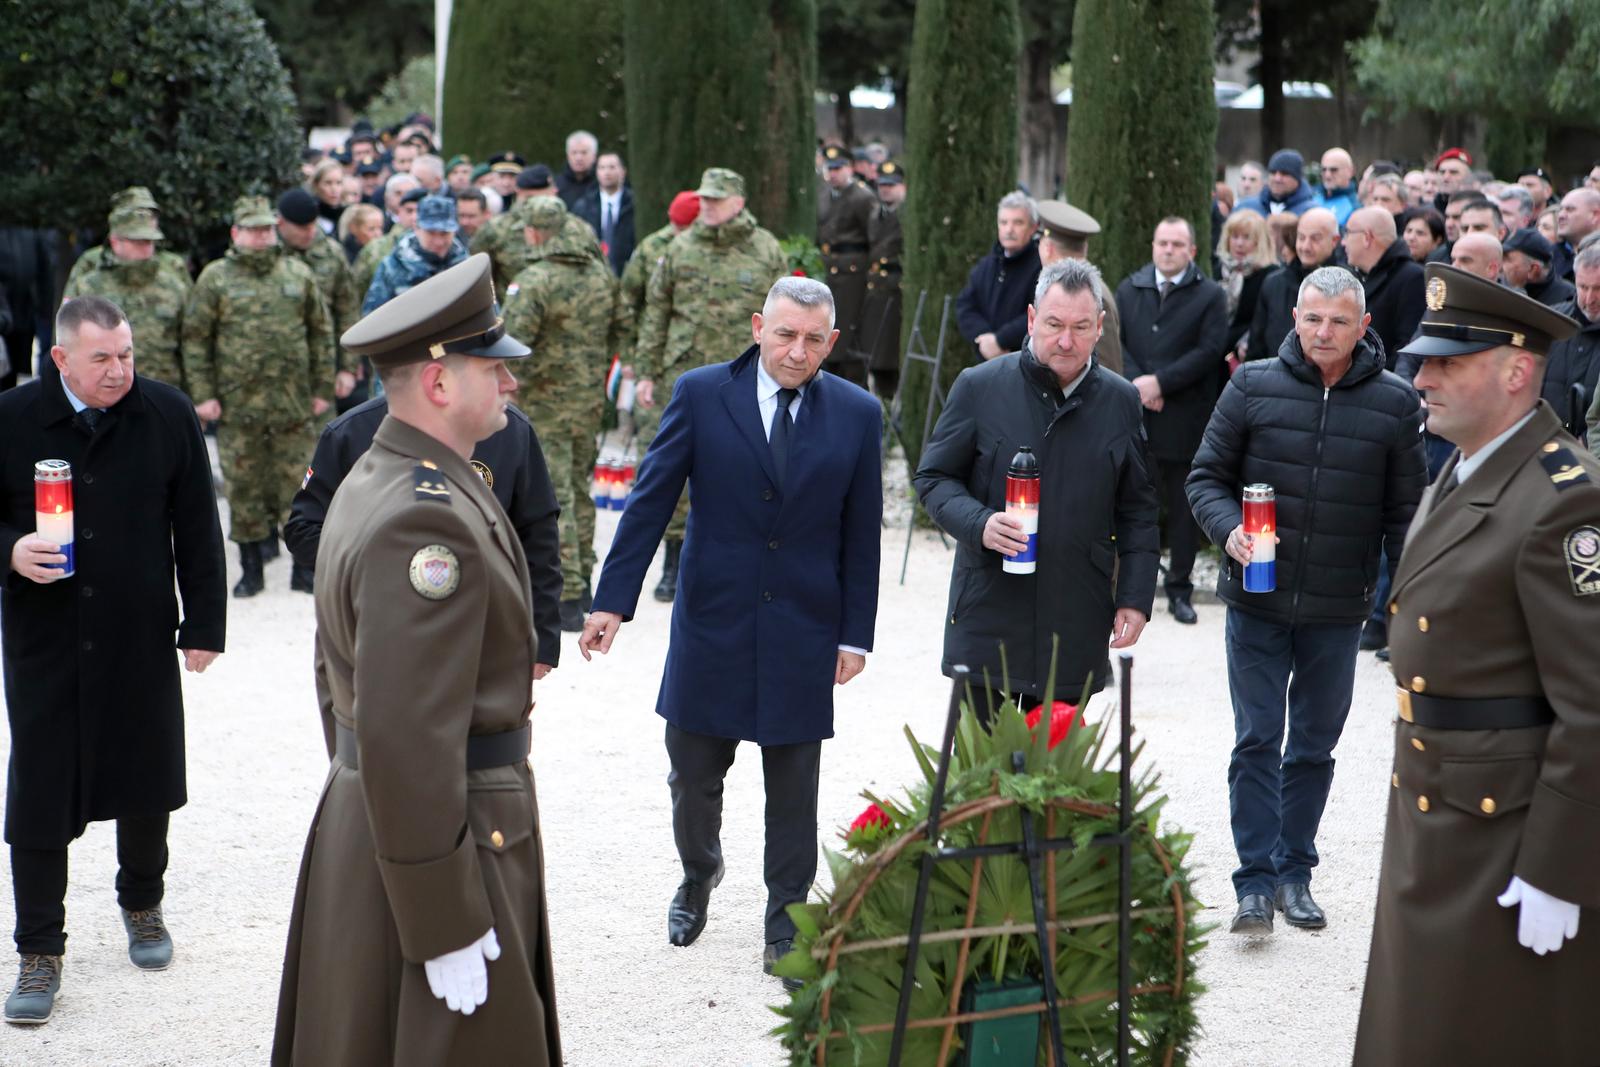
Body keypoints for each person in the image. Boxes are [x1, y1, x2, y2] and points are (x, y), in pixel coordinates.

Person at [272, 254, 561, 1063]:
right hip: (451, 837)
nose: (510, 382)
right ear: (439, 383)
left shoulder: (384, 475)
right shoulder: (423, 518)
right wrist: (442, 917)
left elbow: (338, 679)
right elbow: (403, 728)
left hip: (396, 824)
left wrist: (366, 792)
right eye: (493, 366)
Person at [579, 276, 881, 992]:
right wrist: (613, 599)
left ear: (832, 342)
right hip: (713, 618)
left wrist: (855, 635)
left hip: (804, 624)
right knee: (691, 771)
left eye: (813, 339)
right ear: (757, 327)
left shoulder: (857, 412)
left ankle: (786, 918)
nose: (797, 351)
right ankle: (699, 872)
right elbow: (651, 498)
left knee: (794, 784)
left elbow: (861, 530)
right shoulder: (701, 393)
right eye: (785, 334)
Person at [1352, 264, 1598, 1065]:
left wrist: (1561, 868)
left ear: (1517, 370)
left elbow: (1592, 704)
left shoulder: (1564, 497)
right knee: (1420, 1026)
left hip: (1504, 828)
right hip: (1437, 804)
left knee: (1486, 1031)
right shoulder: (1468, 466)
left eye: (1446, 363)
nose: (1421, 378)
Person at [0, 295, 226, 1025]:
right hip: (45, 636)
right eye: (101, 357)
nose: (118, 370)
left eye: (125, 354)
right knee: (39, 790)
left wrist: (205, 623)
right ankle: (39, 948)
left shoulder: (166, 412)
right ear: (60, 358)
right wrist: (10, 550)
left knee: (145, 773)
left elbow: (197, 523)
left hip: (138, 630)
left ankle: (143, 903)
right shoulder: (12, 418)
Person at [1187, 267, 1425, 937]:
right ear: (1294, 317)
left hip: (1337, 607)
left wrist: (1406, 605)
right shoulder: (1251, 384)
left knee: (1314, 746)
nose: (1324, 331)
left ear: (1363, 326)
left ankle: (1296, 874)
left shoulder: (1394, 402)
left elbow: (1407, 515)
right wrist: (1228, 530)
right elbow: (1205, 477)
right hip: (1256, 598)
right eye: (1313, 318)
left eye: (1339, 321)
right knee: (1257, 738)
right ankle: (1254, 884)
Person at [915, 259, 1158, 710]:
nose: (1066, 341)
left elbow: (1138, 510)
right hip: (987, 615)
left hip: (1076, 619)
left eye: (1080, 327)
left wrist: (1135, 597)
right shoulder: (979, 387)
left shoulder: (1121, 401)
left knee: (1057, 756)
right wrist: (980, 523)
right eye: (1054, 324)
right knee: (982, 758)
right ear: (1031, 319)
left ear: (1100, 326)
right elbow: (933, 478)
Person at [284, 389, 563, 670]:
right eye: (491, 369)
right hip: (379, 631)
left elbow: (539, 535)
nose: (508, 382)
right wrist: (387, 567)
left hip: (483, 633)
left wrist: (543, 638)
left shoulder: (510, 430)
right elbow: (304, 530)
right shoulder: (351, 432)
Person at [632, 168, 787, 602]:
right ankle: (673, 562)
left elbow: (784, 316)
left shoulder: (765, 249)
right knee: (674, 467)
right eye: (704, 199)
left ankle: (743, 562)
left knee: (746, 466)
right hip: (683, 374)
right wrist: (646, 371)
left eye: (717, 200)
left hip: (745, 378)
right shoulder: (679, 248)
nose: (709, 207)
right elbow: (656, 312)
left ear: (739, 203)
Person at [182, 195, 335, 596]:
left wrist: (323, 387)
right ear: (236, 233)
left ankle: (304, 570)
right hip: (238, 407)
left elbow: (321, 333)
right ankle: (251, 570)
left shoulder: (298, 273)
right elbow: (196, 340)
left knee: (298, 488)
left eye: (266, 229)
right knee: (244, 488)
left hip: (293, 405)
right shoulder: (215, 278)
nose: (261, 236)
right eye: (253, 230)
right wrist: (204, 395)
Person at [503, 197, 625, 630]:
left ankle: (567, 593)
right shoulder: (600, 274)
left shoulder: (533, 280)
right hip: (587, 400)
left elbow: (512, 343)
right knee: (578, 488)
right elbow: (621, 326)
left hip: (543, 403)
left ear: (535, 232)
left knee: (553, 496)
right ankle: (584, 580)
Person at [1117, 217, 1229, 624]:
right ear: (1153, 246)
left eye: (1177, 244)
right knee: (1132, 506)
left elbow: (1210, 350)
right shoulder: (1129, 289)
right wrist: (1140, 384)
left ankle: (1180, 590)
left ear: (1192, 251)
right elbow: (1116, 341)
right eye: (1162, 242)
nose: (1168, 250)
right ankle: (1131, 589)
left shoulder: (1210, 295)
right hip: (1136, 416)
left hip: (1183, 418)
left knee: (1184, 511)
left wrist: (1161, 382)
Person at [60, 192, 191, 393]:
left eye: (151, 213)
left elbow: (192, 337)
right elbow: (66, 330)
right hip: (103, 387)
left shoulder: (172, 273)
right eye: (137, 241)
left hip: (163, 385)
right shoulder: (91, 272)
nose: (144, 247)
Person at [277, 189, 360, 414]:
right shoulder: (266, 255)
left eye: (313, 225)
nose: (311, 233)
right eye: (303, 228)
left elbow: (348, 311)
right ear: (281, 223)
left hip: (322, 371)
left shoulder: (331, 254)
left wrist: (348, 367)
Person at [1035, 199, 1123, 374]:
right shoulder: (1055, 286)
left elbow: (1107, 368)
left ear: (1047, 248)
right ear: (1085, 248)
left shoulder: (1092, 296)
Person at [815, 145, 878, 386]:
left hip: (854, 272)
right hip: (829, 268)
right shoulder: (824, 194)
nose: (832, 174)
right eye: (829, 169)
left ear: (850, 169)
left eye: (838, 169)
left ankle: (851, 380)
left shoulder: (862, 197)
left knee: (849, 331)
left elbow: (873, 237)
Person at [956, 192, 1042, 362]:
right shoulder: (986, 265)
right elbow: (965, 305)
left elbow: (1041, 312)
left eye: (1018, 222)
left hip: (1025, 362)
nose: (1009, 229)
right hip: (986, 361)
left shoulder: (1041, 266)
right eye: (1004, 222)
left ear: (1033, 227)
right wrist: (984, 338)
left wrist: (1000, 340)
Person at [1248, 208, 1342, 363]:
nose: (1305, 246)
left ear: (1334, 241)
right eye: (1301, 237)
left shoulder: (1348, 287)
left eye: (1315, 239)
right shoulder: (1274, 283)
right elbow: (1256, 346)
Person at [1342, 206, 1426, 370]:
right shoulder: (1359, 275)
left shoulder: (1412, 278)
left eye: (1348, 233)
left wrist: (1370, 376)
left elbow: (1408, 347)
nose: (1343, 242)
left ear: (1367, 237)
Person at [617, 191, 698, 356]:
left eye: (684, 229)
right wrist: (627, 353)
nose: (677, 233)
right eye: (675, 226)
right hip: (655, 346)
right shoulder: (651, 247)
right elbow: (627, 301)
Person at [364, 194, 469, 315]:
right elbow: (373, 317)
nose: (439, 241)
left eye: (444, 233)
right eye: (431, 233)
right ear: (417, 228)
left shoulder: (465, 265)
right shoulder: (392, 267)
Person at [1540, 243, 1600, 430]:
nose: (1589, 298)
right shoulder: (1551, 319)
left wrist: (1589, 441)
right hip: (1546, 438)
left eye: (1598, 288)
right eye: (1583, 287)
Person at [862, 160, 907, 396]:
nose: (886, 189)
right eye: (882, 185)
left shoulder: (907, 216)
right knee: (874, 353)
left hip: (896, 288)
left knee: (891, 355)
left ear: (903, 186)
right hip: (876, 289)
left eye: (892, 185)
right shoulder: (875, 214)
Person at [1214, 211, 1276, 369]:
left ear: (1259, 242)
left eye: (1246, 237)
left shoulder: (1270, 275)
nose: (1239, 243)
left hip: (1246, 356)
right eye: (1235, 237)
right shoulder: (1218, 270)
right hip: (1215, 353)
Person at [572, 151, 635, 276]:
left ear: (623, 171)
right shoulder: (583, 206)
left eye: (612, 167)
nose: (607, 172)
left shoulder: (634, 204)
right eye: (602, 168)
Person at [1503, 228, 1575, 308]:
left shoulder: (1568, 298)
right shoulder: (1499, 282)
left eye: (1507, 259)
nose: (1500, 266)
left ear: (1533, 270)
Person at [1237, 149, 1317, 217]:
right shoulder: (1246, 207)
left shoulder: (1311, 213)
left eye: (1284, 173)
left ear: (1297, 179)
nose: (1277, 179)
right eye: (1273, 172)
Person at [1553, 188, 1600, 283]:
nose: (1561, 215)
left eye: (1570, 209)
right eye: (1560, 209)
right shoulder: (1549, 256)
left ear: (1595, 215)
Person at [1314, 147, 1360, 227]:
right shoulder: (1311, 195)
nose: (1327, 175)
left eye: (1334, 170)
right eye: (1324, 170)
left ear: (1350, 171)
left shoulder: (1354, 207)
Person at [556, 132, 598, 210]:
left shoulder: (602, 183)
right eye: (574, 153)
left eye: (584, 153)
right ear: (568, 156)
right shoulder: (557, 185)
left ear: (594, 156)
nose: (579, 158)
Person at [307, 159, 345, 235]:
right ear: (316, 185)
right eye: (328, 183)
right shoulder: (309, 214)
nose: (334, 189)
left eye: (338, 183)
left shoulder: (347, 214)